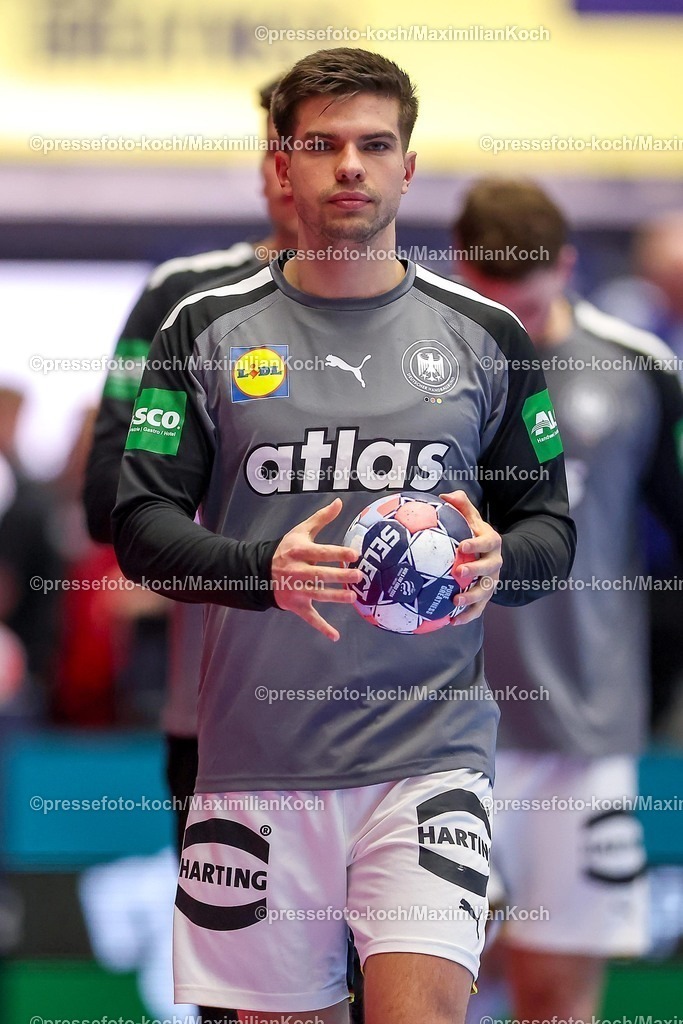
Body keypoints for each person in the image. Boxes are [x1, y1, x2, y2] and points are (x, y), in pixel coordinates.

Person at [112, 49, 575, 1024]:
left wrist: (503, 561)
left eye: (374, 144)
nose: (350, 165)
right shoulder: (203, 325)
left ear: (408, 167)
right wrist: (258, 570)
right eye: (320, 145)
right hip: (253, 765)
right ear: (281, 169)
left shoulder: (486, 335)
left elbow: (548, 531)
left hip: (431, 753)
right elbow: (139, 526)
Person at [84, 77, 298, 1024]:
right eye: (294, 147)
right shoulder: (183, 297)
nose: (327, 171)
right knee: (238, 995)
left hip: (402, 726)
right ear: (267, 168)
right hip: (217, 719)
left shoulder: (443, 321)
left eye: (361, 145)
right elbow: (109, 498)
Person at [453, 178, 683, 1021]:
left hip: (578, 734)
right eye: (490, 300)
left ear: (568, 265)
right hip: (431, 731)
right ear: (462, 268)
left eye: (529, 299)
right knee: (417, 991)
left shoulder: (638, 370)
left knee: (555, 999)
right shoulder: (414, 367)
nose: (510, 320)